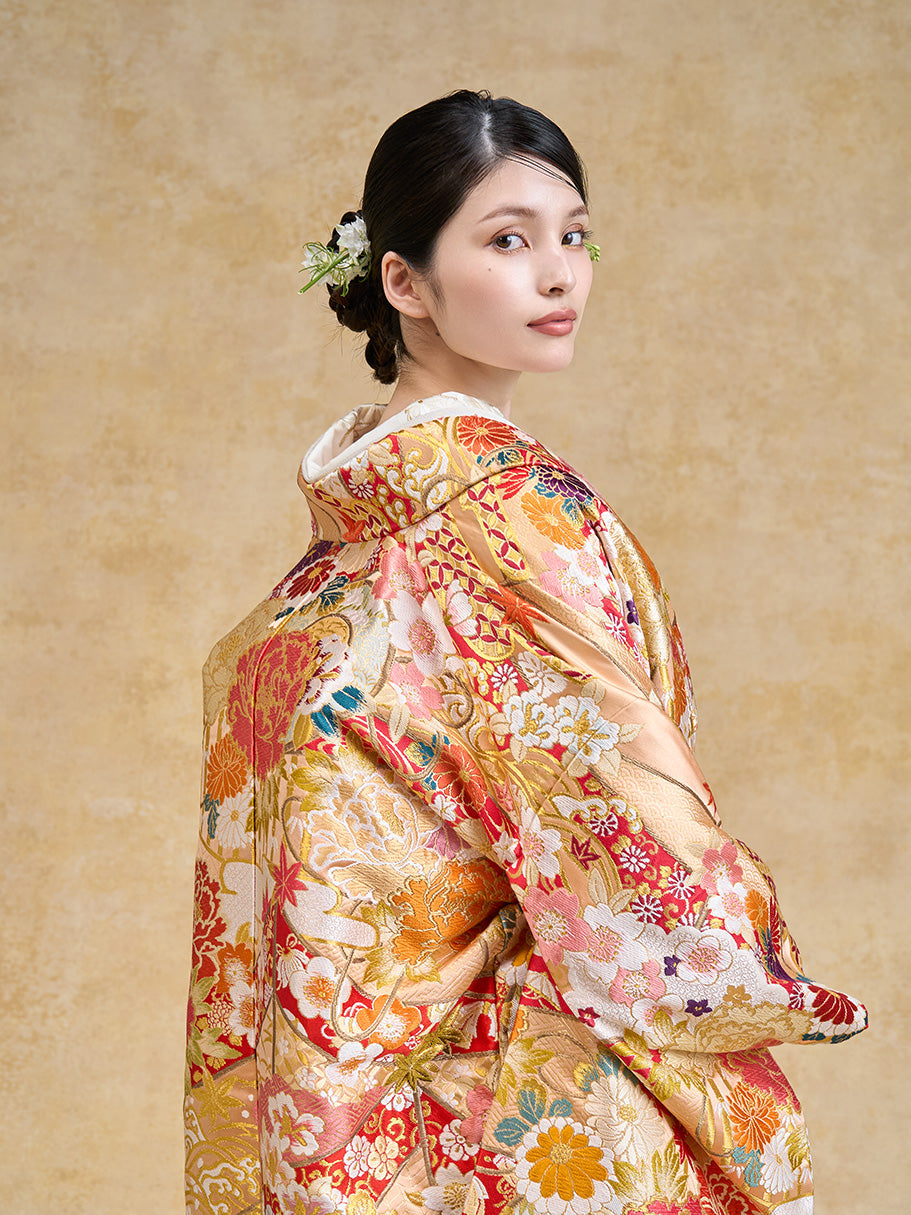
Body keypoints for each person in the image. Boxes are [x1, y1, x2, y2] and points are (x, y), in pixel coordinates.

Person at [185, 90, 865, 1215]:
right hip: (500, 1098)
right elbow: (617, 816)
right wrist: (754, 965)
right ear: (404, 281)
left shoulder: (340, 547)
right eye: (507, 241)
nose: (559, 276)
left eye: (573, 236)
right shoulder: (508, 518)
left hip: (340, 1081)